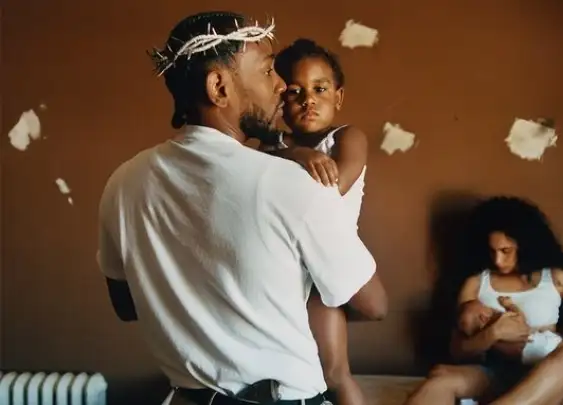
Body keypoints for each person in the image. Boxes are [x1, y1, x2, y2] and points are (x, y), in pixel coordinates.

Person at [97, 11, 387, 405]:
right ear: (219, 87)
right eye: (267, 71)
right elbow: (374, 304)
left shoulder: (123, 183)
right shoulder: (291, 184)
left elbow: (127, 305)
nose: (281, 86)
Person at [404, 196, 563, 405]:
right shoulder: (477, 283)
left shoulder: (556, 277)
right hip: (494, 373)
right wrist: (493, 333)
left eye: (506, 251)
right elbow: (457, 349)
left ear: (525, 246)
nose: (498, 261)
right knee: (439, 382)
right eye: (492, 251)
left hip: (547, 371)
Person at [253, 38, 373, 405]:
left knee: (335, 373)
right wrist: (297, 153)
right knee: (301, 367)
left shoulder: (347, 137)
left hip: (329, 260)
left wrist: (297, 155)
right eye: (295, 92)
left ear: (338, 96)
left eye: (320, 89)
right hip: (289, 268)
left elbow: (331, 190)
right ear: (280, 99)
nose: (308, 100)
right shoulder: (273, 148)